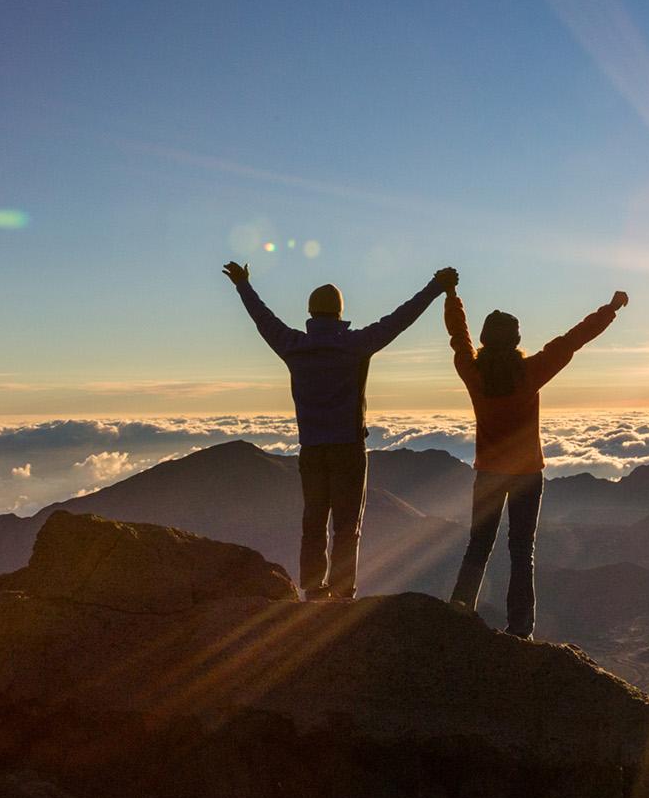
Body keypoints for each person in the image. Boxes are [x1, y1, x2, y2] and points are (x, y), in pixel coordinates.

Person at [224, 260, 457, 601]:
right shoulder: (356, 344)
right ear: (339, 313)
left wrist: (243, 284)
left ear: (310, 312)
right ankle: (343, 589)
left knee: (313, 521)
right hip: (348, 449)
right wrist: (435, 287)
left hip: (312, 450)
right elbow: (400, 318)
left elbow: (263, 318)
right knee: (348, 527)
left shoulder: (293, 345)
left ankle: (314, 589)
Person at [445, 286, 628, 637]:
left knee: (479, 544)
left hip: (488, 473)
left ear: (485, 339)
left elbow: (458, 336)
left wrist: (452, 296)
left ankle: (459, 610)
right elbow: (573, 339)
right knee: (521, 549)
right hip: (527, 474)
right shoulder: (530, 373)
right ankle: (521, 627)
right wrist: (611, 308)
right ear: (516, 340)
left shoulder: (473, 373)